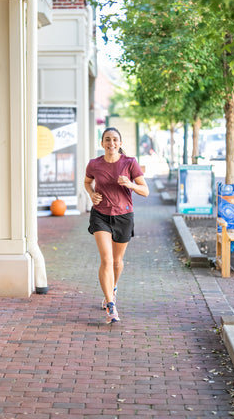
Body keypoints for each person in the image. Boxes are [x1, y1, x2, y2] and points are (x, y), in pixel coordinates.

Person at [84, 127, 149, 324]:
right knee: (106, 259)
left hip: (123, 216)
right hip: (100, 215)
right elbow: (87, 182)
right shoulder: (94, 164)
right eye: (107, 140)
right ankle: (111, 305)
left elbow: (145, 191)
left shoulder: (130, 163)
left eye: (114, 140)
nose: (111, 143)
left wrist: (130, 184)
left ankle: (111, 289)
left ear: (120, 143)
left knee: (117, 261)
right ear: (102, 143)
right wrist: (91, 193)